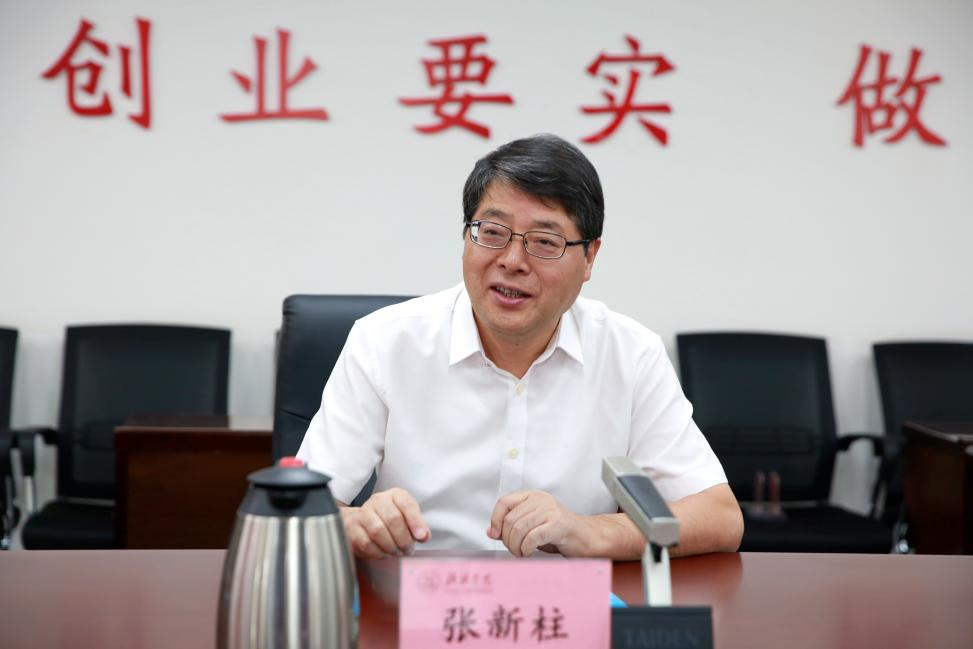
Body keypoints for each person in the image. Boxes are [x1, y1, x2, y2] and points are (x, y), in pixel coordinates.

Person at [297, 134, 743, 560]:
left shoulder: (631, 355)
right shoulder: (384, 343)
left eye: (544, 243)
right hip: (421, 598)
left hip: (566, 605)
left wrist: (590, 532)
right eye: (492, 232)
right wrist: (356, 526)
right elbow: (298, 508)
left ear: (589, 257)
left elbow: (720, 517)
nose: (512, 261)